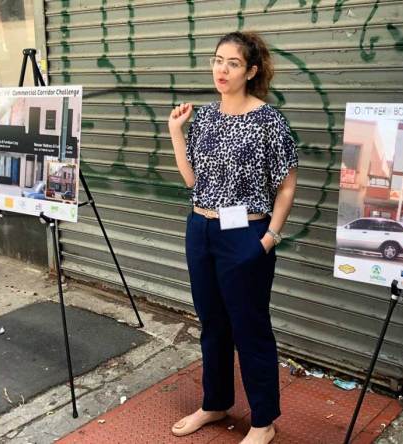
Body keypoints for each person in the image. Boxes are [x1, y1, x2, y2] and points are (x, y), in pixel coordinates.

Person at [168, 31, 298, 444]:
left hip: (245, 232)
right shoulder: (205, 117)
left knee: (250, 327)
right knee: (212, 324)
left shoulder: (269, 120)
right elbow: (193, 181)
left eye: (233, 63)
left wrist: (270, 238)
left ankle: (263, 421)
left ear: (251, 71)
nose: (222, 70)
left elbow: (287, 186)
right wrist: (176, 132)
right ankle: (216, 402)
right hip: (202, 229)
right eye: (217, 60)